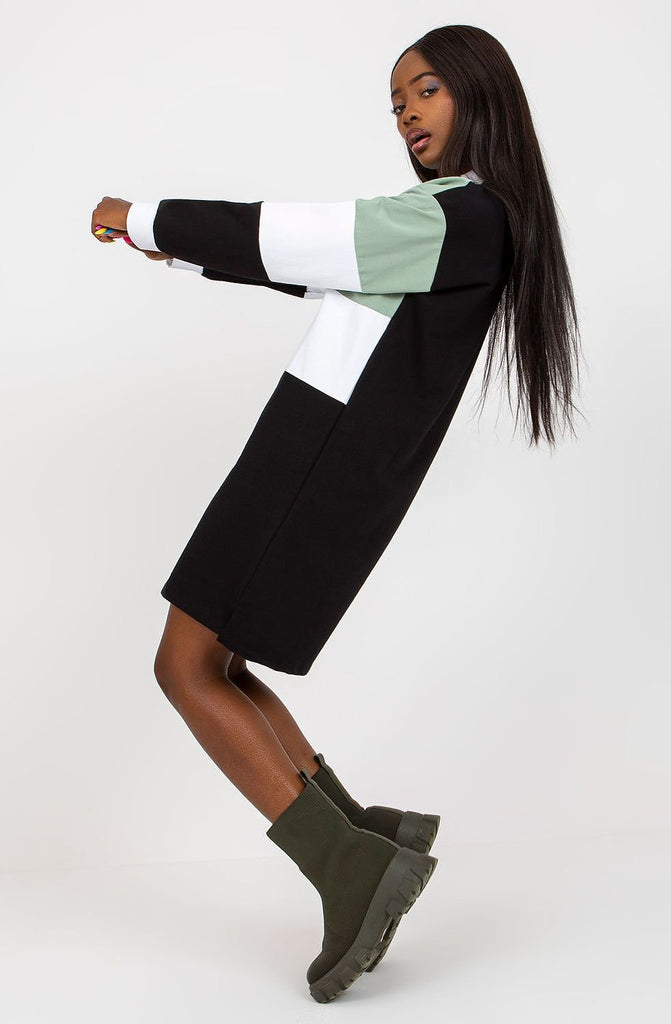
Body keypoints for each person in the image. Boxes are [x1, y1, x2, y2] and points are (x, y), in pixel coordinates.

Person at [91, 24, 583, 1002]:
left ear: (481, 92)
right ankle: (364, 834)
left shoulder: (462, 214)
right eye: (396, 101)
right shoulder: (459, 219)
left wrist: (143, 215)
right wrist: (171, 247)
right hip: (318, 454)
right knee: (221, 664)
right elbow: (315, 264)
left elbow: (299, 235)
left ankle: (349, 867)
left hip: (311, 460)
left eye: (425, 90)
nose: (406, 113)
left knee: (183, 667)